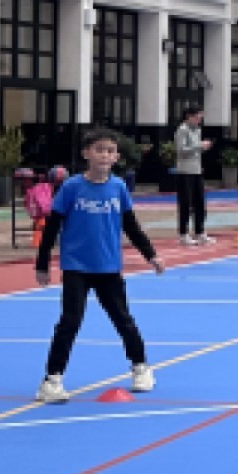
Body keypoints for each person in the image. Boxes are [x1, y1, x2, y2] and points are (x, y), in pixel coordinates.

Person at [34, 128, 164, 401]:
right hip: (76, 266)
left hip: (108, 267)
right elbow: (52, 227)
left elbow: (131, 226)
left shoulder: (118, 188)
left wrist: (151, 254)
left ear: (116, 157)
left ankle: (141, 367)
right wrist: (42, 263)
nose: (104, 155)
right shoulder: (71, 188)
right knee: (69, 321)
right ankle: (52, 380)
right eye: (99, 150)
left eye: (110, 151)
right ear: (86, 153)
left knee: (123, 319)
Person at [171, 104, 208, 243]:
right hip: (185, 171)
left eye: (200, 118)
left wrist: (202, 149)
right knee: (185, 203)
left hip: (196, 170)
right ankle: (183, 233)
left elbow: (195, 151)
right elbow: (181, 150)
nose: (199, 120)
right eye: (197, 117)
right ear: (189, 117)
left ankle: (200, 231)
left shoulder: (197, 130)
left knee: (200, 202)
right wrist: (199, 146)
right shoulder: (182, 130)